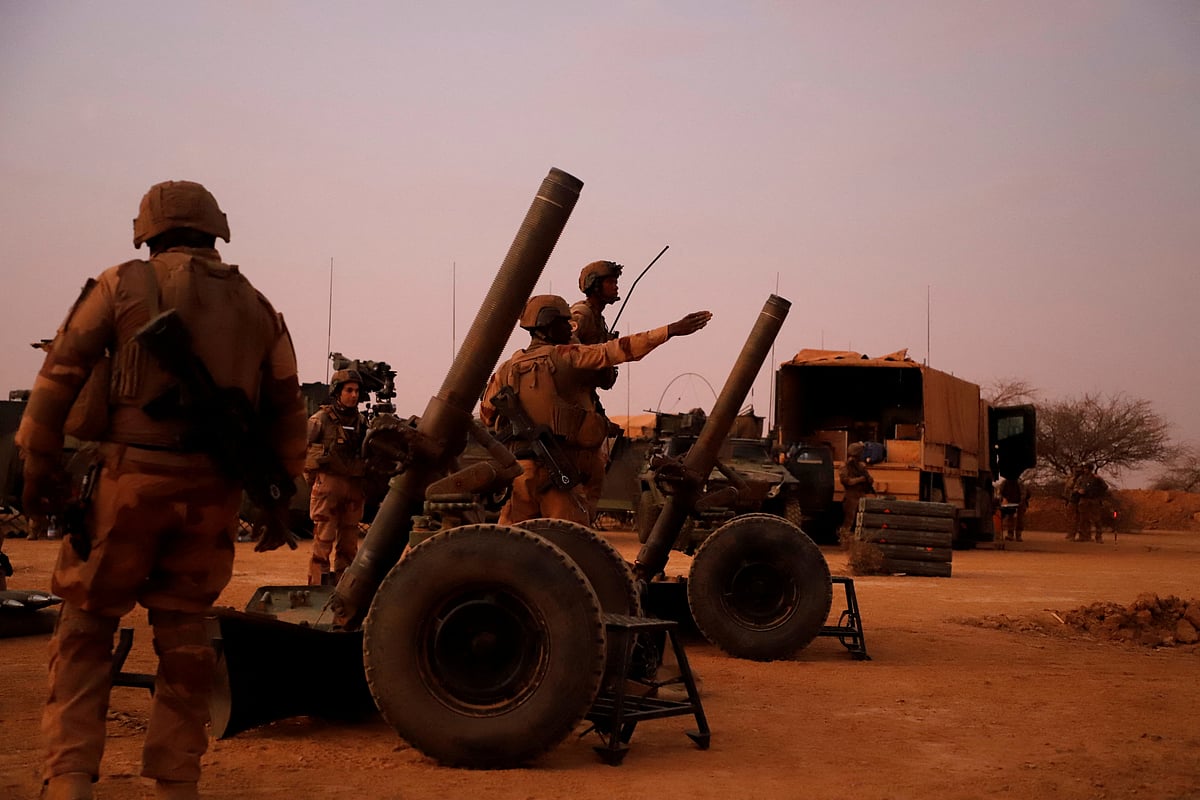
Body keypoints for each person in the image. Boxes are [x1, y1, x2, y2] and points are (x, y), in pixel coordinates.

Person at [15, 180, 307, 800]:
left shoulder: (122, 284)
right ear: (214, 229)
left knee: (87, 628)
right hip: (211, 492)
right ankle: (177, 781)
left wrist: (38, 464)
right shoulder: (257, 306)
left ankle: (69, 778)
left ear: (146, 229)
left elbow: (61, 370)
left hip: (125, 482)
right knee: (185, 637)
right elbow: (286, 407)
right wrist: (278, 498)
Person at [481, 295, 711, 526]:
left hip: (523, 473)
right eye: (565, 322)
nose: (571, 328)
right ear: (548, 325)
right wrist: (670, 330)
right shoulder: (567, 356)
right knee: (573, 544)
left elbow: (487, 415)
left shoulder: (507, 368)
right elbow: (616, 351)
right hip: (559, 472)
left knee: (507, 544)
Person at [304, 369, 368, 586]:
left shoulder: (362, 423)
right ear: (337, 392)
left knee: (349, 547)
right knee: (323, 541)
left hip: (354, 487)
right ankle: (316, 589)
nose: (354, 395)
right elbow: (302, 449)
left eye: (357, 391)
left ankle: (344, 589)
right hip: (328, 485)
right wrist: (313, 479)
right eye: (349, 390)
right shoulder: (321, 419)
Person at [569, 260, 622, 521]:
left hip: (587, 400)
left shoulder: (598, 319)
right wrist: (603, 352)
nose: (615, 287)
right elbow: (568, 354)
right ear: (594, 285)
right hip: (574, 403)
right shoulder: (582, 315)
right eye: (610, 282)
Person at [838, 441, 875, 539]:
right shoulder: (845, 466)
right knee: (849, 520)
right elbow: (846, 481)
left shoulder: (860, 466)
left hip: (861, 494)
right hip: (851, 495)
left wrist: (868, 480)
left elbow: (868, 479)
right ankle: (844, 540)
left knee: (863, 519)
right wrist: (860, 479)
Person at [1072, 463, 1109, 543]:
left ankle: (1098, 537)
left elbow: (1105, 487)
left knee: (1097, 519)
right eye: (1084, 468)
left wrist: (1099, 493)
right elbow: (1076, 487)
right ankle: (1083, 536)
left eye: (1086, 468)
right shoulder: (1081, 478)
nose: (1085, 470)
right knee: (1083, 519)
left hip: (1094, 500)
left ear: (1090, 469)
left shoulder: (1096, 478)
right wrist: (1078, 491)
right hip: (1084, 499)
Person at [995, 473, 1029, 542]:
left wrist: (1020, 503)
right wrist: (1002, 500)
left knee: (1020, 519)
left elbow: (1023, 494)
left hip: (1021, 503)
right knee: (1010, 518)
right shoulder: (1004, 483)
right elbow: (1000, 493)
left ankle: (1018, 535)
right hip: (1010, 502)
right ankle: (1010, 534)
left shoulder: (1019, 483)